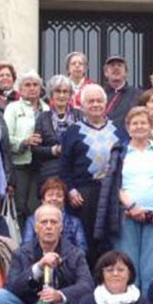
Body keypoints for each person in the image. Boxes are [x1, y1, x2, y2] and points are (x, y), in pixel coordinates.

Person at [95, 107, 153, 294]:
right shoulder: (120, 152)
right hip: (127, 217)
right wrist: (130, 205)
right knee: (127, 269)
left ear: (150, 126)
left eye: (143, 123)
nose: (139, 127)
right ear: (128, 127)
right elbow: (115, 185)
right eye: (135, 123)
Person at [60, 84, 120, 264]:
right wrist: (70, 189)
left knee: (109, 240)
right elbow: (64, 165)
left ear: (106, 103)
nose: (95, 104)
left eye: (99, 101)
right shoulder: (73, 131)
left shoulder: (118, 130)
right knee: (86, 239)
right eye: (90, 101)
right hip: (84, 194)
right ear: (83, 105)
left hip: (111, 192)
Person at [5, 71, 47, 223]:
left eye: (35, 85)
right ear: (20, 89)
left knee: (37, 207)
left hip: (42, 165)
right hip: (20, 164)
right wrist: (24, 141)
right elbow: (5, 137)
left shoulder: (47, 109)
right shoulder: (13, 108)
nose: (32, 88)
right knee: (20, 207)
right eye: (27, 85)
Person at [32, 75, 82, 190]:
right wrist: (53, 150)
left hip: (75, 171)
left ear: (70, 95)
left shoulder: (79, 115)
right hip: (50, 172)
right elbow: (35, 149)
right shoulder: (42, 118)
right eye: (58, 91)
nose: (62, 95)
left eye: (65, 92)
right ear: (51, 95)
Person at [20, 177, 88, 255]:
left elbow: (82, 250)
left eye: (59, 196)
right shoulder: (32, 221)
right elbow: (26, 248)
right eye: (50, 195)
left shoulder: (75, 222)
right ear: (43, 200)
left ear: (64, 200)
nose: (54, 198)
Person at [103, 55, 139, 126]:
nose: (116, 68)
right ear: (106, 73)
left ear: (126, 72)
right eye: (112, 65)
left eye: (119, 65)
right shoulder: (99, 94)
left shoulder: (137, 95)